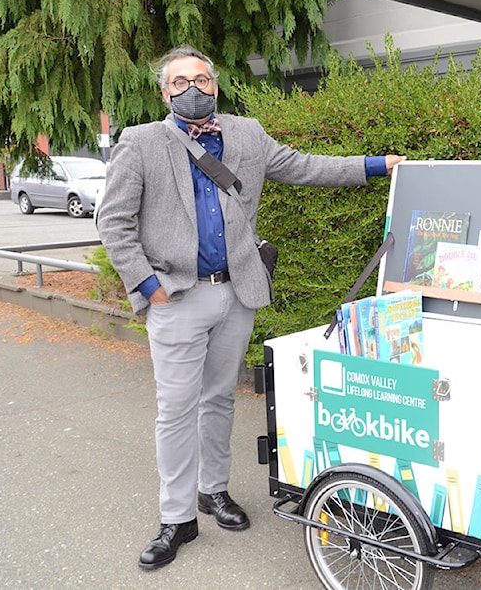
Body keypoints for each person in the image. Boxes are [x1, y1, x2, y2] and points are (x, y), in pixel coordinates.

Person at [96, 46, 405, 570]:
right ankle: (176, 518)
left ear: (215, 85)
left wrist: (379, 165)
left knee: (218, 398)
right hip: (176, 296)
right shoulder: (141, 142)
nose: (192, 88)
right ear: (164, 92)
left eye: (201, 78)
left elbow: (306, 167)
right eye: (179, 82)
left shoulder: (246, 133)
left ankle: (213, 492)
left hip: (236, 291)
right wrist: (148, 286)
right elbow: (113, 221)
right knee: (175, 411)